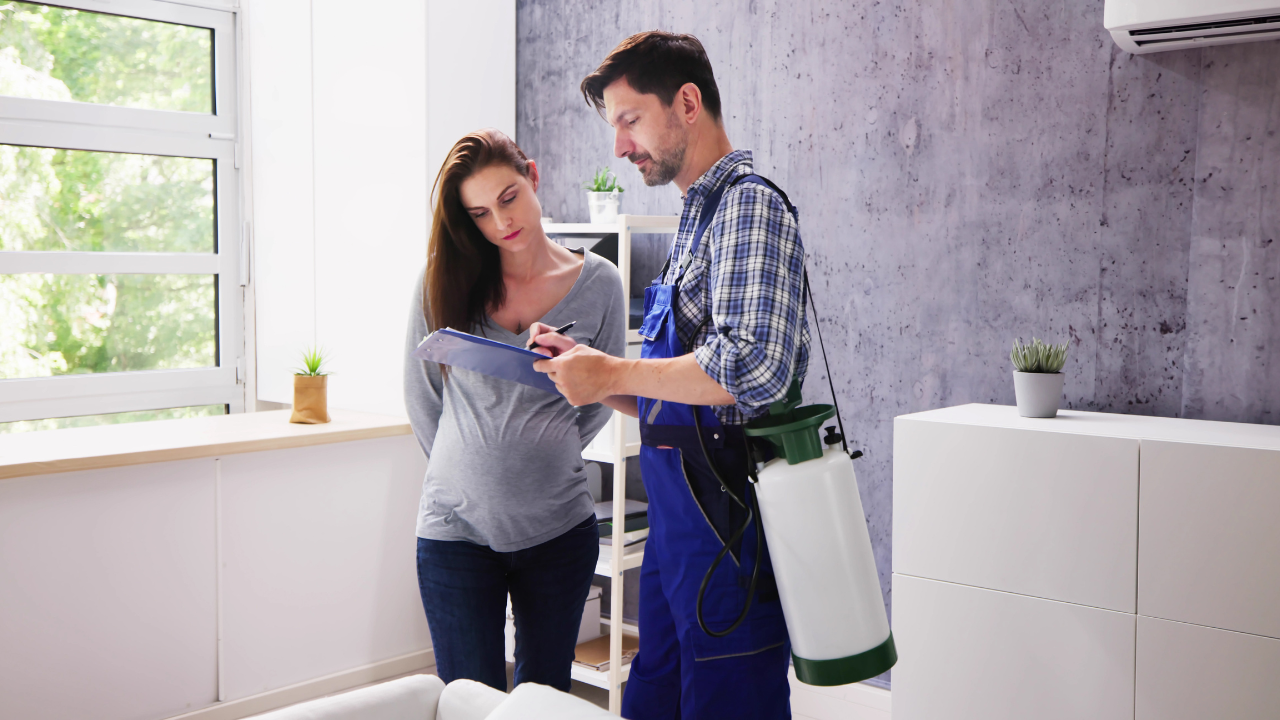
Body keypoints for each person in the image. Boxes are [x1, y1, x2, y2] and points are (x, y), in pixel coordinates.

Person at [529, 31, 810, 720]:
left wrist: (614, 368)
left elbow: (753, 370)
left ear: (687, 102)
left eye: (629, 121)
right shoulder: (697, 216)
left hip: (727, 528)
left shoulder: (749, 206)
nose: (619, 148)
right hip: (678, 532)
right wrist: (590, 376)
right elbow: (675, 395)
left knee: (727, 703)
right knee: (654, 697)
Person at [404, 129, 625, 693]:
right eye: (479, 213)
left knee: (542, 701)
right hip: (454, 531)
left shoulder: (600, 283)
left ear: (532, 174)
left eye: (508, 197)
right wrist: (469, 472)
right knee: (466, 702)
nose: (501, 223)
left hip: (557, 530)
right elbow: (423, 396)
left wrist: (538, 453)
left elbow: (599, 393)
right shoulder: (442, 280)